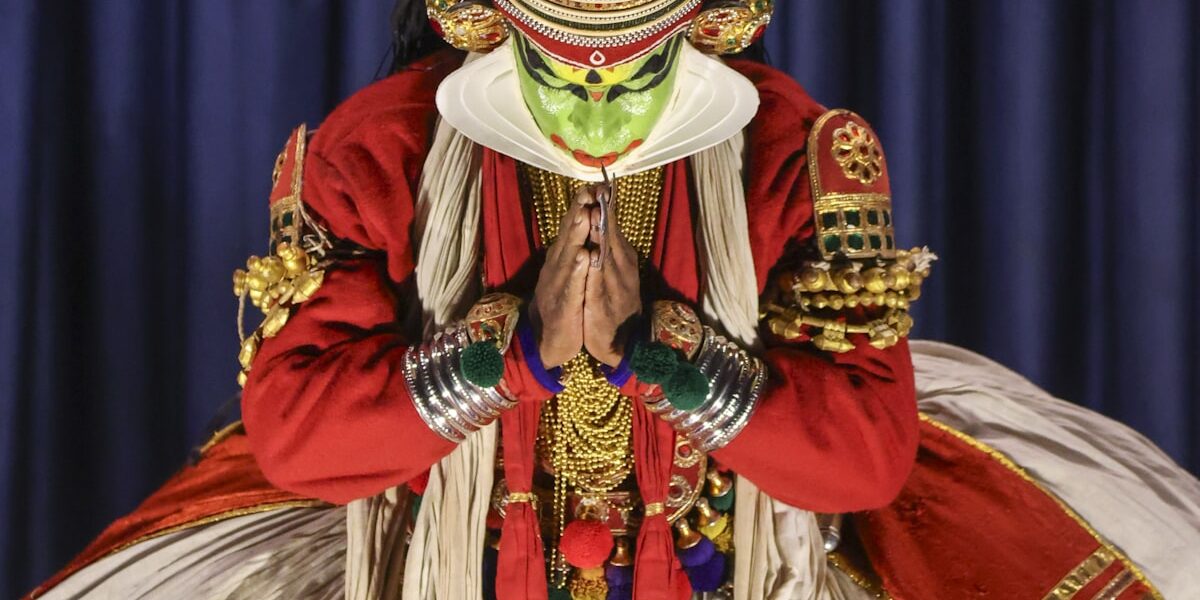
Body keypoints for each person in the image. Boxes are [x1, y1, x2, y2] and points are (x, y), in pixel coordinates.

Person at [29, 1, 1200, 599]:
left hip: (727, 566)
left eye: (636, 69)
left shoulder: (798, 154)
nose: (599, 112)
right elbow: (298, 436)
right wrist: (503, 359)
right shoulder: (373, 153)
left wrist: (672, 357)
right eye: (561, 67)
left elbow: (861, 458)